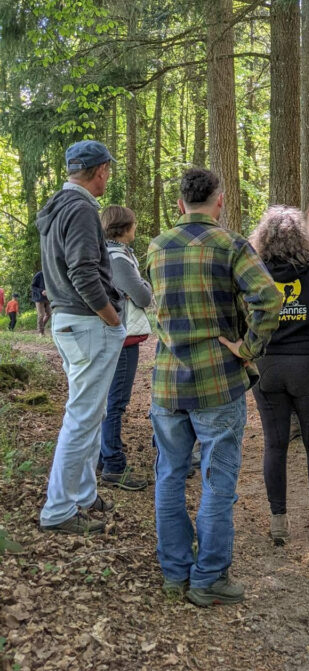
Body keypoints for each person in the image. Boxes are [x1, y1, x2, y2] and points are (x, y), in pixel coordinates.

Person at [147, 168, 281, 606]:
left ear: (181, 204)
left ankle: (175, 574)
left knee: (169, 477)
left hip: (168, 381)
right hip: (217, 381)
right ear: (219, 201)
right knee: (217, 480)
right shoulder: (231, 245)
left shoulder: (157, 247)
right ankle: (208, 578)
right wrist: (249, 347)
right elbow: (270, 298)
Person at [234, 206, 309, 546]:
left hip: (268, 365)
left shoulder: (257, 272)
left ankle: (278, 523)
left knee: (275, 444)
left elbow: (240, 307)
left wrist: (249, 339)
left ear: (263, 239)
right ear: (304, 237)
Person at [37, 140, 126, 536]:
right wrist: (112, 318)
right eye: (107, 170)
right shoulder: (82, 209)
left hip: (67, 320)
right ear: (100, 170)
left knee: (91, 411)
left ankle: (84, 494)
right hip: (88, 323)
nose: (108, 176)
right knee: (83, 416)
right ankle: (58, 509)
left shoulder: (57, 206)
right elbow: (83, 272)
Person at [99, 206, 154, 492]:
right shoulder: (118, 258)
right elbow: (143, 296)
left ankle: (102, 458)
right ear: (123, 227)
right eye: (133, 224)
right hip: (122, 337)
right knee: (116, 402)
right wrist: (143, 285)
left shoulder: (110, 253)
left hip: (116, 335)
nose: (136, 228)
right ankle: (113, 465)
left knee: (109, 400)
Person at [31, 269, 52, 335]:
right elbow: (32, 287)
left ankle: (41, 327)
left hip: (47, 298)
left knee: (49, 314)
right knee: (41, 315)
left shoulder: (51, 274)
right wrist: (41, 291)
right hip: (39, 298)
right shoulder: (39, 274)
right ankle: (41, 332)